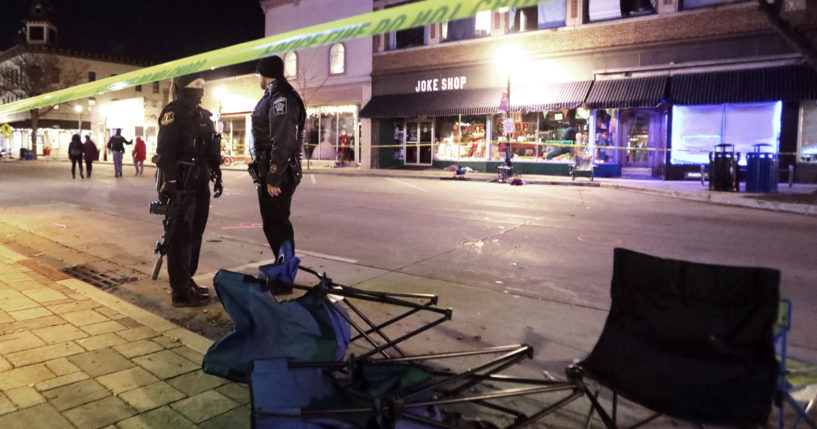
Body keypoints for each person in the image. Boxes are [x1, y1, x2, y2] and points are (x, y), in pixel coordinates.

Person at [156, 73, 223, 307]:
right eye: (196, 84)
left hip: (200, 182)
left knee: (196, 233)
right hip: (181, 183)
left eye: (203, 85)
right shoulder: (173, 112)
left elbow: (211, 150)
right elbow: (165, 152)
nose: (201, 89)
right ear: (184, 86)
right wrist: (171, 182)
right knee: (179, 236)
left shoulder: (204, 116)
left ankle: (188, 279)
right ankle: (180, 291)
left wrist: (217, 175)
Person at [250, 55, 306, 261]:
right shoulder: (273, 96)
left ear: (264, 74)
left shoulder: (281, 98)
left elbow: (283, 141)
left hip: (279, 174)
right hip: (271, 171)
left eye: (258, 74)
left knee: (277, 225)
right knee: (273, 225)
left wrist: (274, 176)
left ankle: (284, 274)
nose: (257, 78)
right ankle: (283, 268)